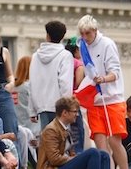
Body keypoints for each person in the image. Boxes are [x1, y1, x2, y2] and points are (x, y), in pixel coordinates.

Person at [77, 15, 126, 169]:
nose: (85, 37)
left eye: (88, 33)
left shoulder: (107, 44)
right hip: (95, 100)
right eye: (82, 34)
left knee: (114, 141)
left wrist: (103, 79)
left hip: (112, 99)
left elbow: (115, 72)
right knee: (100, 144)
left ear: (95, 30)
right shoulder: (82, 45)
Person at [37, 96, 112, 169]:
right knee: (93, 152)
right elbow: (54, 159)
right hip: (54, 167)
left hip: (64, 164)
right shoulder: (51, 130)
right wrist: (75, 158)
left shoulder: (65, 128)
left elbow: (71, 152)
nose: (77, 114)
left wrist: (76, 157)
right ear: (65, 113)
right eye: (75, 112)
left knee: (104, 155)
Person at [30, 21, 74, 132]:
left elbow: (32, 83)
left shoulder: (36, 56)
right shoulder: (65, 55)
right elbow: (65, 83)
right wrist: (67, 106)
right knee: (60, 141)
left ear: (47, 35)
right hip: (59, 106)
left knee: (47, 141)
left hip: (41, 106)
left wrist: (32, 109)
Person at [64, 39, 87, 150]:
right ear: (77, 50)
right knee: (77, 132)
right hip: (73, 101)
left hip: (61, 101)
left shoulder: (63, 61)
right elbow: (78, 83)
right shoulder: (78, 64)